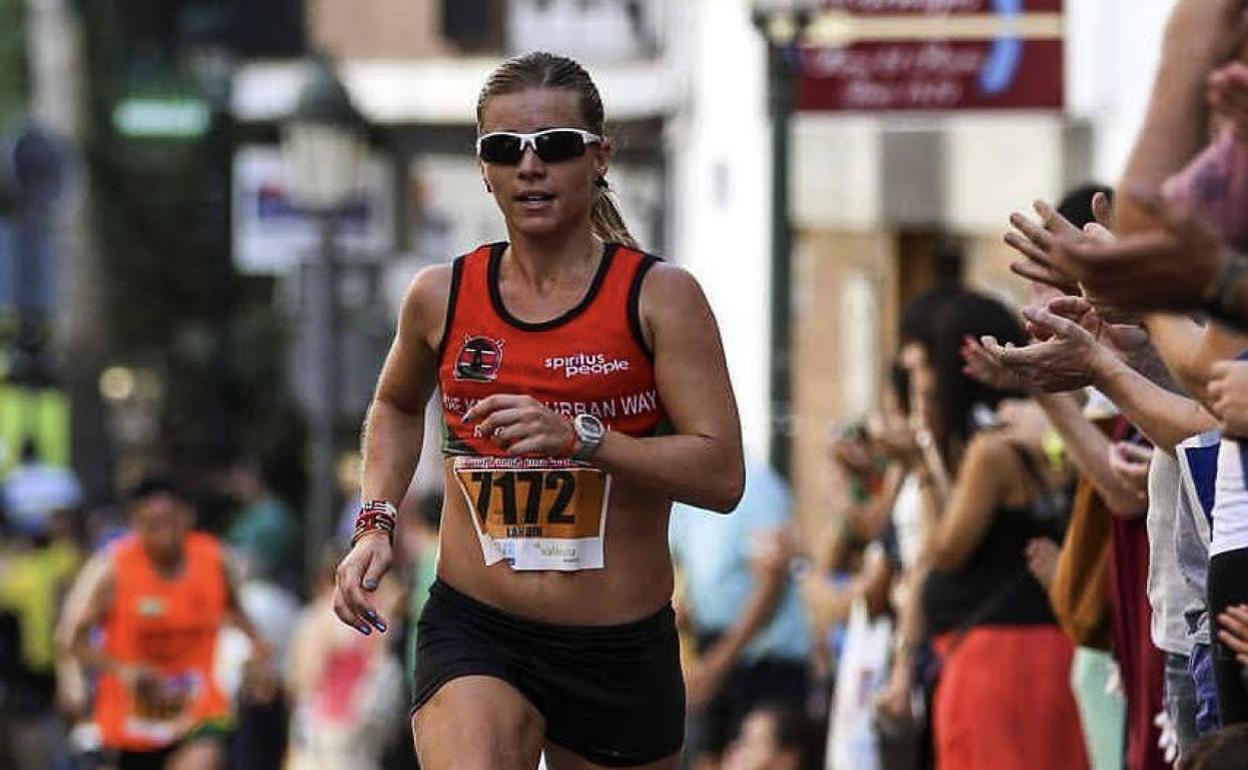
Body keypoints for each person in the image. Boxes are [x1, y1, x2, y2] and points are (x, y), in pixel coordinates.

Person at [331, 51, 744, 770]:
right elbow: (397, 404)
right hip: (479, 627)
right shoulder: (441, 296)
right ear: (483, 168)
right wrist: (376, 522)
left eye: (555, 147)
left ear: (600, 159)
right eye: (505, 150)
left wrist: (585, 439)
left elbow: (720, 474)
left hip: (618, 646)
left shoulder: (658, 297)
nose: (530, 167)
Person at [908, 291, 1090, 770]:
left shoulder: (993, 451)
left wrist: (923, 463)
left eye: (924, 369)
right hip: (1055, 646)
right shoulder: (1047, 435)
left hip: (997, 662)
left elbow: (945, 550)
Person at [55, 476, 270, 770]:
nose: (163, 535)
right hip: (130, 719)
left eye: (170, 522)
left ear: (187, 516)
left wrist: (259, 659)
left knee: (204, 759)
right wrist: (121, 671)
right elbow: (71, 640)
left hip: (198, 711)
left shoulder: (214, 560)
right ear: (134, 524)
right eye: (151, 525)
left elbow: (241, 619)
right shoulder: (112, 568)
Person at [669, 459, 810, 770]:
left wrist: (718, 662)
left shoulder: (756, 484)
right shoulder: (682, 493)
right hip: (715, 649)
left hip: (764, 659)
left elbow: (771, 580)